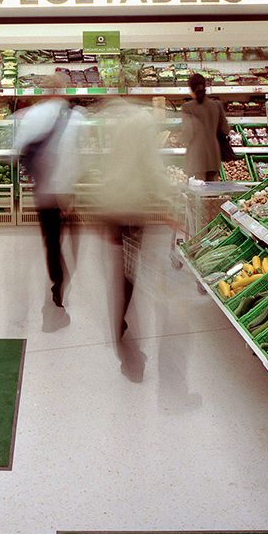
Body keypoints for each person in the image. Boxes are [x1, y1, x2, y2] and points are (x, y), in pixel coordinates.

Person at [87, 97, 173, 379]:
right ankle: (121, 322)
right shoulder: (144, 122)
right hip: (132, 205)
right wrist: (166, 202)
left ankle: (119, 320)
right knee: (129, 268)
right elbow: (151, 166)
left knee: (119, 267)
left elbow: (106, 160)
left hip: (111, 202)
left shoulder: (117, 119)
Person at [14, 75, 85, 308]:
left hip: (45, 191)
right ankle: (70, 271)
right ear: (63, 89)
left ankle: (58, 281)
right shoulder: (77, 115)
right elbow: (80, 155)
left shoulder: (32, 114)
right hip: (67, 190)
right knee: (73, 238)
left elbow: (17, 149)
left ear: (44, 90)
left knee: (52, 240)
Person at [180, 72, 233, 182]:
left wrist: (180, 140)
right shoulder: (217, 105)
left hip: (196, 156)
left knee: (196, 188)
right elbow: (225, 130)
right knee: (211, 189)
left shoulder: (187, 107)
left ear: (191, 89)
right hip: (213, 155)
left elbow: (188, 133)